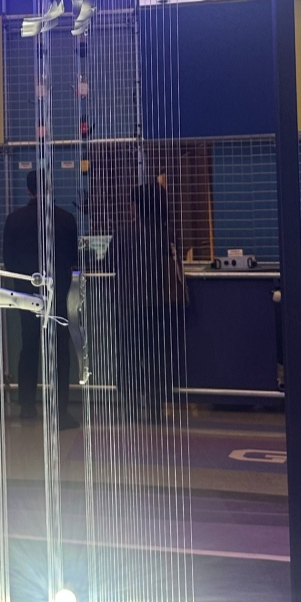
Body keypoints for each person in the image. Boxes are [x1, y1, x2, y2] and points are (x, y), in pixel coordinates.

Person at [2, 170, 80, 429]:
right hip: (57, 295)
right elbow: (74, 259)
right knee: (60, 351)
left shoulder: (14, 220)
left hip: (26, 295)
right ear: (50, 188)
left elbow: (9, 261)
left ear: (28, 190)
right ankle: (60, 410)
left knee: (29, 346)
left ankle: (26, 405)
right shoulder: (66, 219)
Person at [109, 180, 183, 421]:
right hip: (159, 304)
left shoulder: (124, 234)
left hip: (129, 303)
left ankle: (130, 406)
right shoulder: (167, 235)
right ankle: (155, 408)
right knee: (157, 358)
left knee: (128, 356)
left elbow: (108, 263)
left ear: (138, 206)